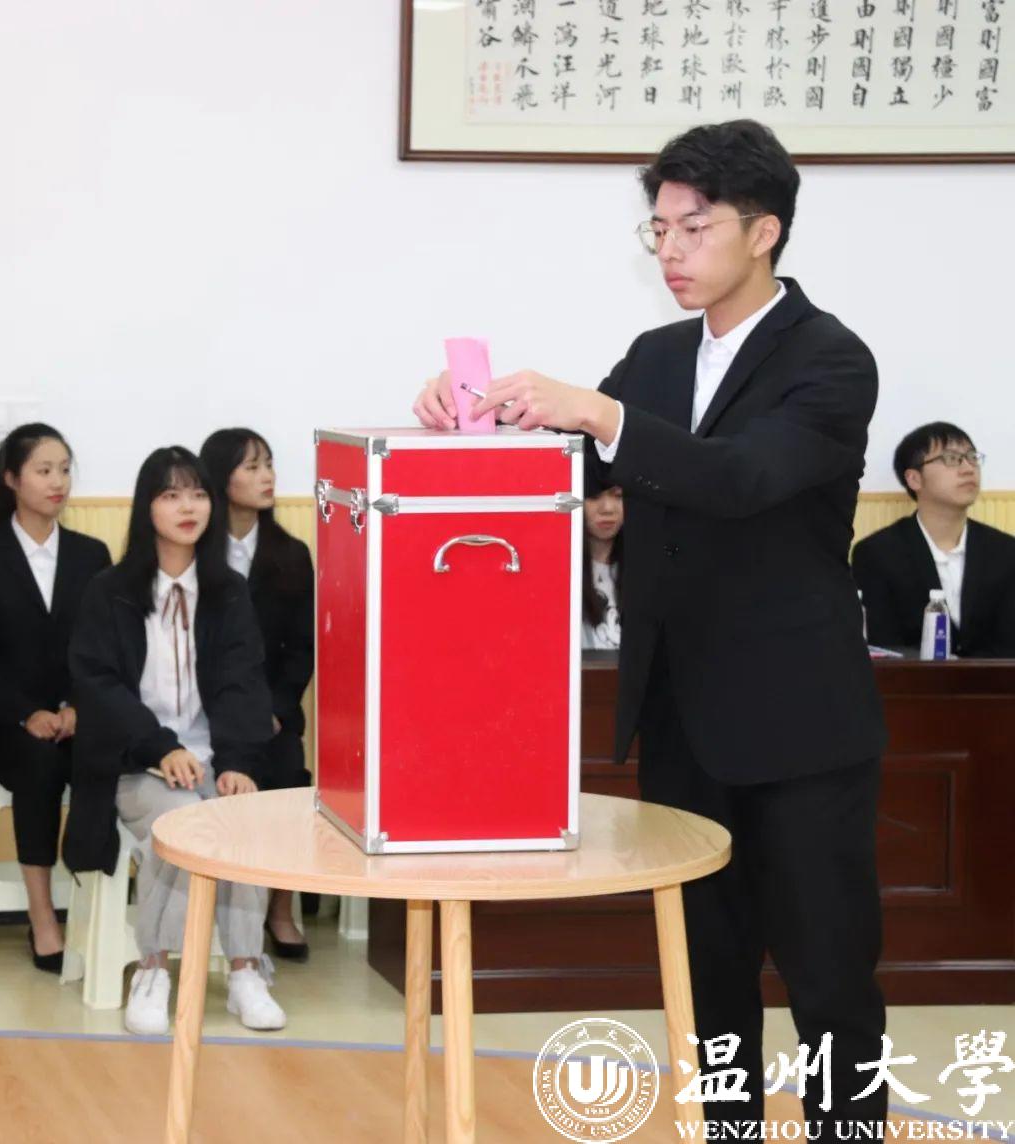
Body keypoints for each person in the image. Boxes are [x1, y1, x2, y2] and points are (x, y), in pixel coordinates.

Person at [414, 119, 888, 1140]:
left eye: (693, 228)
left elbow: (743, 476)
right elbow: (573, 467)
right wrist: (470, 416)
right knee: (707, 971)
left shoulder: (831, 359)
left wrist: (598, 413)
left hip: (801, 727)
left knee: (829, 976)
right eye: (658, 230)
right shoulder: (657, 355)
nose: (670, 250)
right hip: (681, 715)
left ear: (763, 231)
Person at [62, 446, 286, 1034]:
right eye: (171, 495)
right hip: (136, 764)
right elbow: (98, 686)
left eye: (198, 494)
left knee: (241, 815)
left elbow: (244, 682)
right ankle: (155, 969)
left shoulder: (228, 591)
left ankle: (244, 971)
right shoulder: (110, 590)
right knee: (184, 821)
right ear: (147, 507)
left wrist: (237, 761)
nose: (188, 507)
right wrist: (161, 747)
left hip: (213, 760)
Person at [0, 424, 110, 972]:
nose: (57, 481)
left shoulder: (92, 555)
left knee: (107, 758)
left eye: (64, 469)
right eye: (44, 470)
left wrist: (78, 708)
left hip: (75, 716)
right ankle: (43, 917)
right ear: (12, 479)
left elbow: (106, 650)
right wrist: (26, 714)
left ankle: (98, 908)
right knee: (39, 762)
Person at [200, 428, 315, 959]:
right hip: (210, 711)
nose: (267, 476)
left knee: (289, 775)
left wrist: (275, 708)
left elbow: (302, 647)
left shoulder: (291, 554)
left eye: (268, 464)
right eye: (251, 467)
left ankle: (280, 908)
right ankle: (217, 909)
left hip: (273, 712)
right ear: (220, 479)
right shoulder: (194, 553)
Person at [853, 422, 1015, 656]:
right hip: (909, 679)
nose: (968, 468)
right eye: (951, 459)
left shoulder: (1006, 551)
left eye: (972, 458)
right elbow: (883, 647)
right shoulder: (877, 554)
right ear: (914, 479)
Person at [581, 481, 623, 651]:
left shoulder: (649, 573)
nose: (607, 508)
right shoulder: (559, 573)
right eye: (593, 496)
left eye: (618, 496)